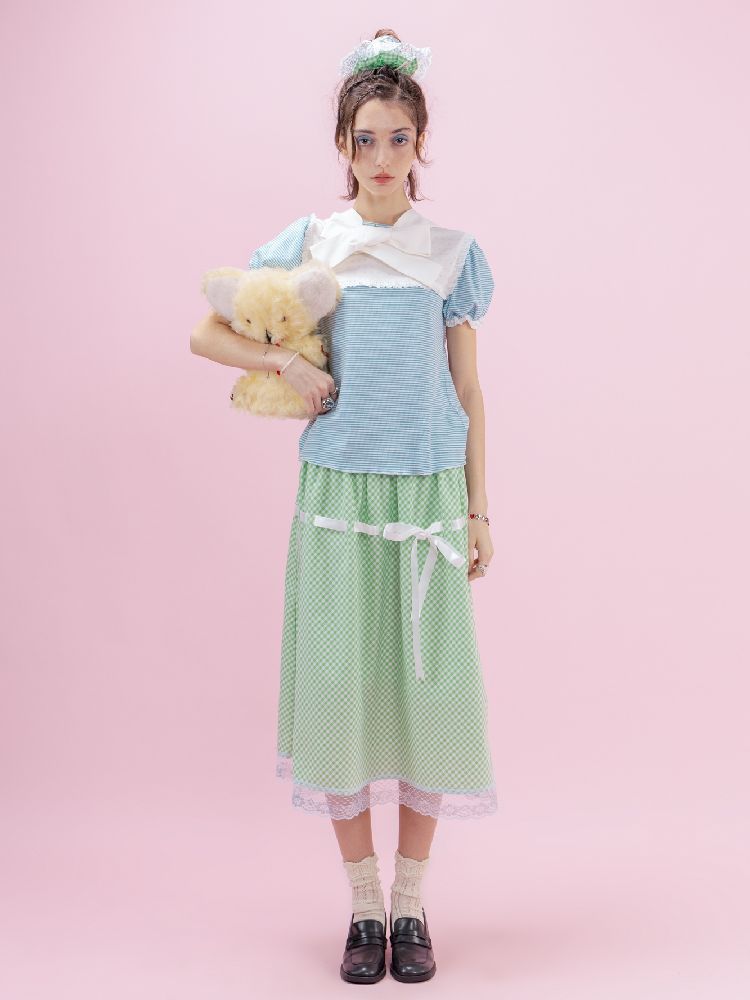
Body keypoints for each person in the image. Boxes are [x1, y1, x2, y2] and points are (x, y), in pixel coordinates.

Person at [190, 28, 497, 986]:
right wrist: (284, 359)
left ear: (421, 144)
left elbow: (468, 389)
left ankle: (411, 904)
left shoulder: (451, 255)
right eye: (365, 140)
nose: (381, 158)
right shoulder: (314, 244)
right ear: (342, 145)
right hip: (338, 496)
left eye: (398, 138)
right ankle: (363, 906)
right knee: (341, 699)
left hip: (427, 497)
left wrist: (479, 509)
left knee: (429, 700)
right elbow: (206, 333)